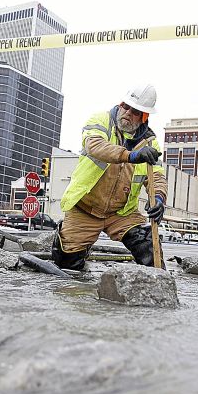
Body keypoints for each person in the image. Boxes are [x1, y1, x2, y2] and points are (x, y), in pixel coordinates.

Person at [52, 84, 167, 270]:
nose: (127, 113)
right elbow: (95, 146)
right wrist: (131, 155)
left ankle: (157, 288)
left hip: (122, 214)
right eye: (126, 106)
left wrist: (159, 199)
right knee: (66, 265)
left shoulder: (150, 143)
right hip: (85, 209)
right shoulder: (101, 121)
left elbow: (157, 177)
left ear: (144, 117)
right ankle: (79, 253)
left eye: (135, 111)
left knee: (149, 247)